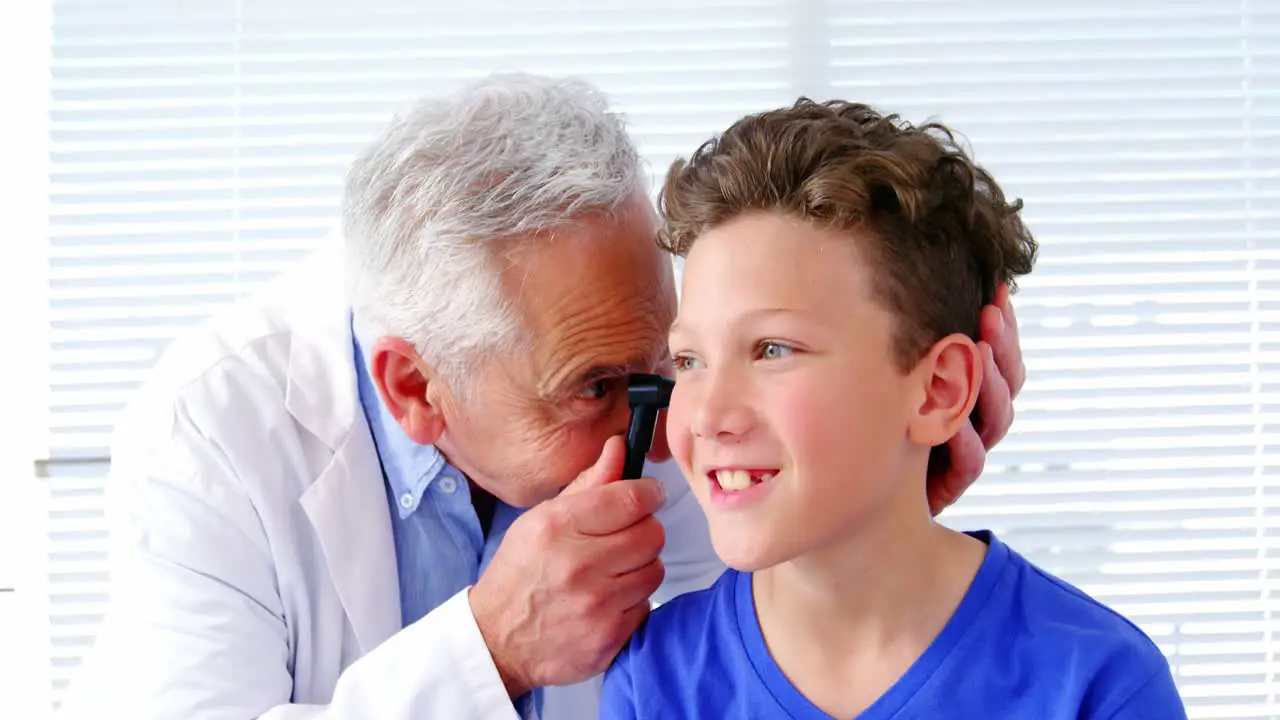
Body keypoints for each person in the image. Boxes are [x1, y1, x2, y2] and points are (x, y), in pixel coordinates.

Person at [56, 74, 1025, 720]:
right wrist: (492, 649)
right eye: (595, 389)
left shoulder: (657, 397)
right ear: (414, 390)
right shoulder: (215, 434)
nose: (668, 433)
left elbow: (744, 669)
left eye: (665, 364)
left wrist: (862, 511)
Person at [599, 99, 1187, 719]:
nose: (707, 413)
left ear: (938, 391)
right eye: (689, 360)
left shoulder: (1097, 685)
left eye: (772, 349)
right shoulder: (652, 685)